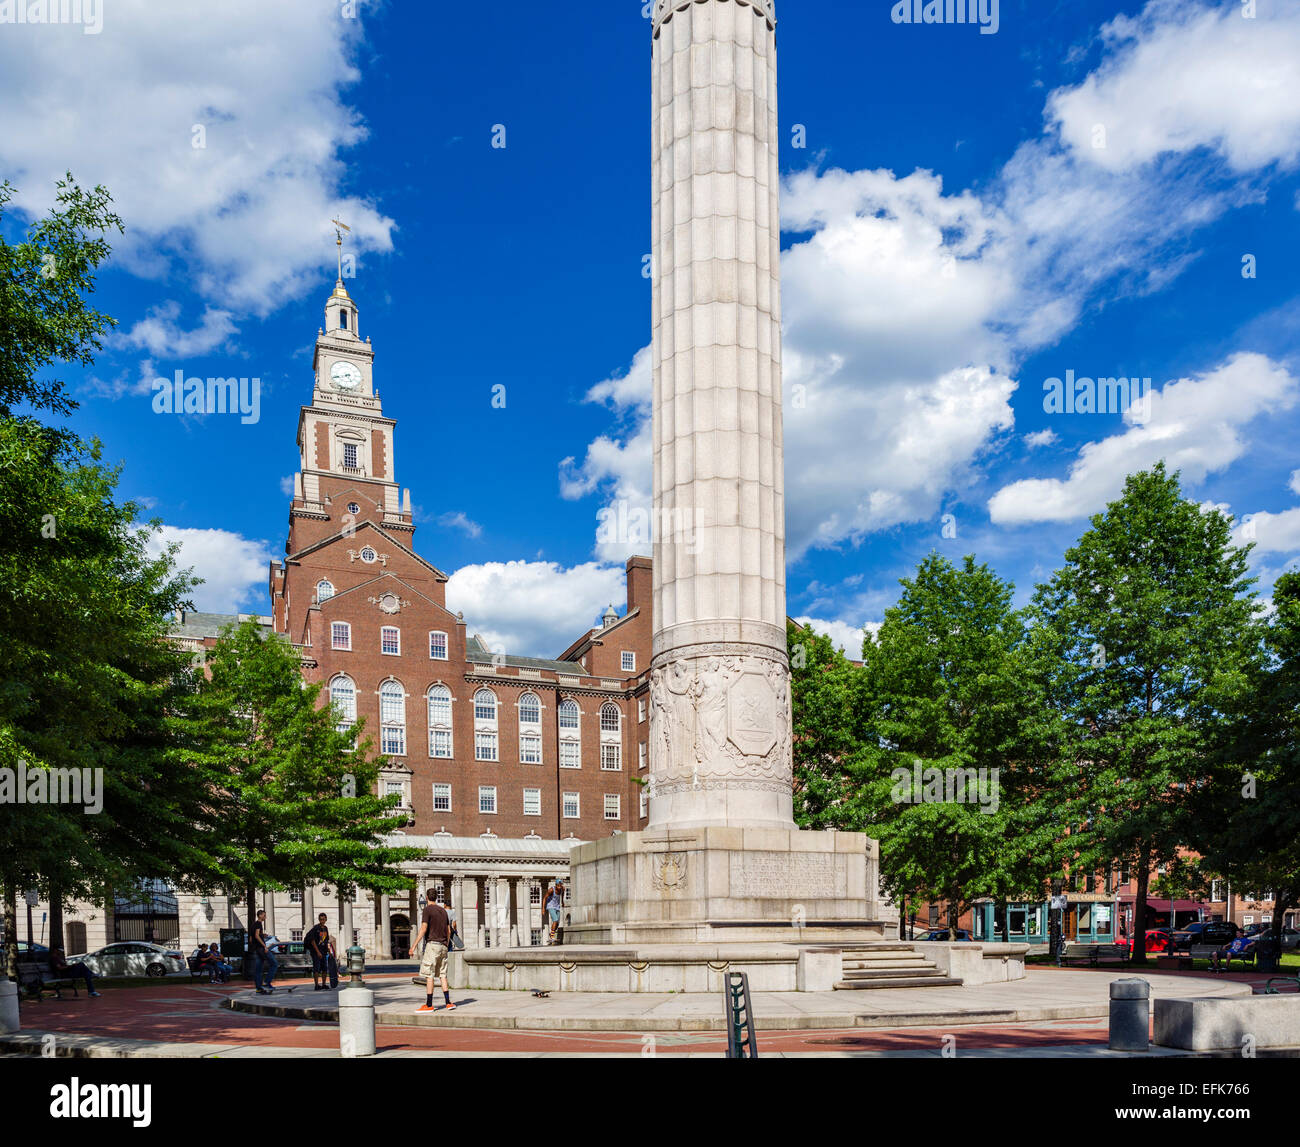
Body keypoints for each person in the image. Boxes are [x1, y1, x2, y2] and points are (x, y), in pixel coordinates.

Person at [412, 887, 455, 1012]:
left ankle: (429, 1004)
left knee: (429, 974)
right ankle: (448, 1003)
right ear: (436, 897)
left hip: (433, 945)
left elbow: (423, 929)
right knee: (442, 975)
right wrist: (446, 944)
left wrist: (414, 945)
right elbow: (448, 930)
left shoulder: (427, 910)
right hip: (443, 946)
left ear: (426, 898)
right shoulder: (443, 911)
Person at [249, 908, 277, 994]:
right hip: (261, 949)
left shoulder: (253, 925)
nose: (265, 917)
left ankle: (258, 988)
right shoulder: (258, 924)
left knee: (258, 970)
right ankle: (267, 982)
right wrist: (264, 946)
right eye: (264, 915)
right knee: (274, 964)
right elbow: (256, 936)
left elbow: (251, 939)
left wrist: (262, 936)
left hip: (256, 950)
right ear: (260, 915)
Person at [304, 913, 332, 991]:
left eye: (324, 919)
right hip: (316, 951)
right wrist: (318, 952)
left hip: (323, 950)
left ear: (326, 919)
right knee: (316, 968)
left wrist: (328, 951)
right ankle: (316, 985)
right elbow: (312, 941)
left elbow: (326, 941)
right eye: (321, 919)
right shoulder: (316, 928)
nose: (322, 921)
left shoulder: (325, 928)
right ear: (319, 920)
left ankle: (323, 984)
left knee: (324, 968)